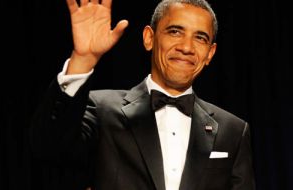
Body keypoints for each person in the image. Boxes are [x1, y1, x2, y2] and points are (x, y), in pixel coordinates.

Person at [30, 0, 256, 189]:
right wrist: (83, 59)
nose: (186, 47)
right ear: (149, 38)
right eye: (175, 31)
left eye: (200, 38)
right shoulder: (101, 109)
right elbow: (47, 146)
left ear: (210, 53)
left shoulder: (233, 130)